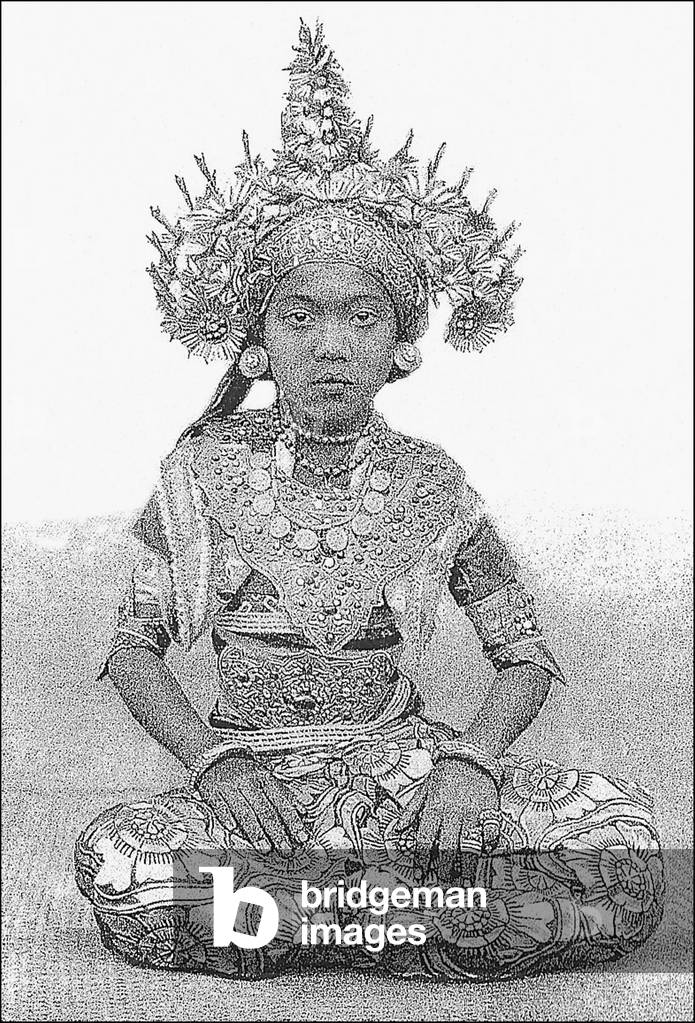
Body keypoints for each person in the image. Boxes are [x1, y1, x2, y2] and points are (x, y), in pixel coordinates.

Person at [74, 22, 663, 980]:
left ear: (401, 344)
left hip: (407, 775)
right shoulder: (200, 470)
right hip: (252, 786)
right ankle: (418, 914)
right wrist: (212, 764)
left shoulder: (435, 483)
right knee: (122, 861)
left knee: (622, 843)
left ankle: (311, 913)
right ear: (257, 342)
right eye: (299, 317)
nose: (330, 344)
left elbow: (522, 656)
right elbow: (131, 651)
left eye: (361, 316)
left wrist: (468, 763)